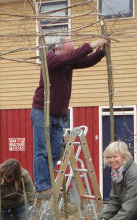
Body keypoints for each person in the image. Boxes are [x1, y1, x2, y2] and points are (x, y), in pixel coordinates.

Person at [31, 35, 108, 196]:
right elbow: (71, 57)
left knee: (55, 151)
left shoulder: (66, 61)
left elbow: (86, 61)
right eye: (69, 51)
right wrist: (92, 44)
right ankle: (41, 186)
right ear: (58, 49)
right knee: (41, 150)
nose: (71, 54)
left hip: (57, 114)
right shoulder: (49, 59)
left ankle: (48, 183)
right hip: (41, 111)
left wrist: (101, 52)